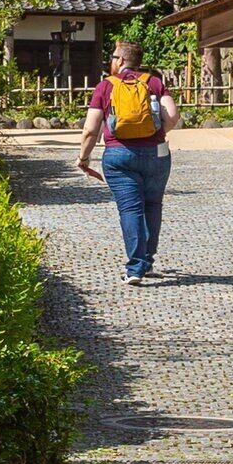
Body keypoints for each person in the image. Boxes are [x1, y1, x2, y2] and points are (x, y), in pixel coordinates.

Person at [79, 34, 178, 284]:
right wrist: (158, 134)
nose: (111, 61)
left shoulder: (105, 86)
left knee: (130, 208)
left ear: (121, 59)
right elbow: (173, 115)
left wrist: (84, 158)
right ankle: (146, 261)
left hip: (118, 154)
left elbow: (91, 129)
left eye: (113, 57)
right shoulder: (154, 83)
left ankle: (135, 268)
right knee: (153, 205)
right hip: (156, 153)